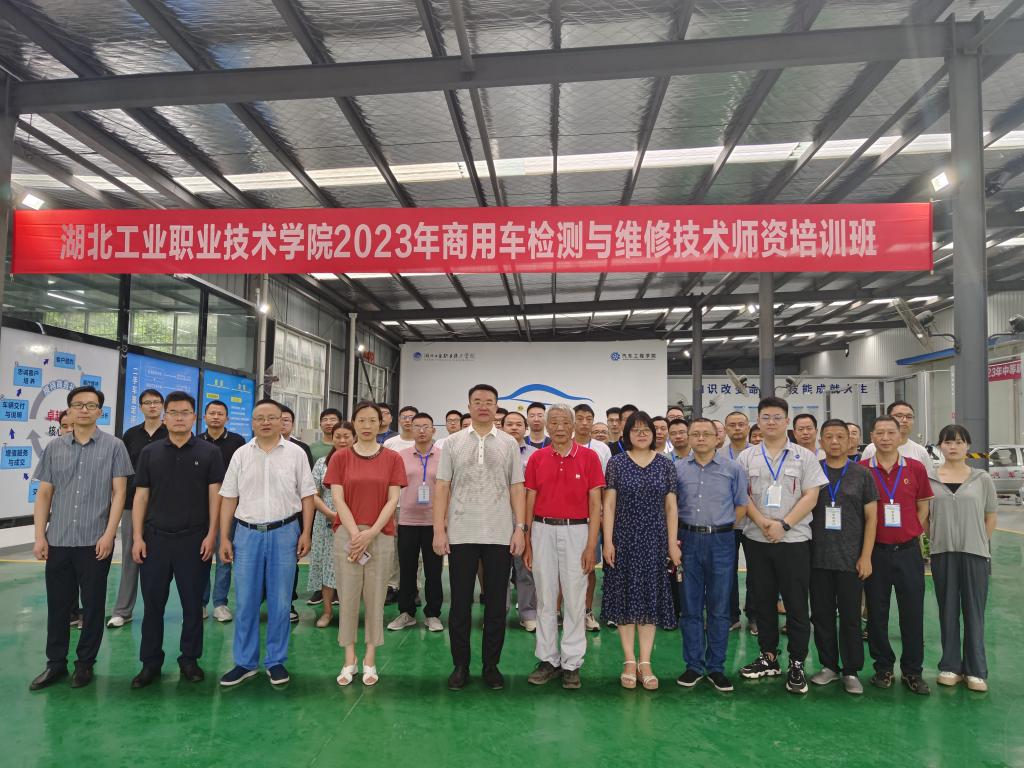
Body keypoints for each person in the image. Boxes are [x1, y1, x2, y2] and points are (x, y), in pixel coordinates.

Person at [29, 385, 133, 691]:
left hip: (94, 541)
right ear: (70, 410)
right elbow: (44, 494)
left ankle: (85, 664)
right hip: (58, 539)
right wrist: (39, 536)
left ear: (100, 411)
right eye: (78, 405)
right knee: (58, 606)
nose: (84, 410)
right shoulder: (54, 448)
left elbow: (119, 494)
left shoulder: (115, 447)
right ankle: (55, 664)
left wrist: (109, 534)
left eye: (90, 405)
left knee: (93, 606)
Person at [433, 384, 527, 691]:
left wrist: (520, 527)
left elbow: (516, 487)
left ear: (497, 407)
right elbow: (442, 486)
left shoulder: (509, 443)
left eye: (489, 402)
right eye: (477, 401)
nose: (483, 406)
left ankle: (491, 665)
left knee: (496, 605)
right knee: (460, 604)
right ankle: (460, 665)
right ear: (469, 406)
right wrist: (439, 529)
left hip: (499, 533)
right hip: (461, 532)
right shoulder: (452, 442)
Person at [129, 392, 225, 688]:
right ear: (165, 417)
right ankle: (150, 663)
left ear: (194, 417)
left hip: (194, 541)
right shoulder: (150, 453)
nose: (179, 418)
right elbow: (141, 496)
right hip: (155, 540)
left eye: (185, 413)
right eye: (173, 412)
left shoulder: (210, 453)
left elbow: (215, 496)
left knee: (192, 606)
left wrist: (212, 534)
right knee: (152, 606)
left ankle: (189, 660)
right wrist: (137, 537)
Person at [218, 399, 315, 687]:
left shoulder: (296, 453)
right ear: (252, 422)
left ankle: (276, 661)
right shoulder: (241, 454)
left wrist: (306, 533)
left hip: (285, 532)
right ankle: (245, 662)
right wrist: (225, 537)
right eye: (259, 418)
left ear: (281, 421)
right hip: (247, 534)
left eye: (272, 417)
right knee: (246, 600)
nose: (266, 422)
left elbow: (307, 495)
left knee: (281, 600)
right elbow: (229, 497)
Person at [736, 396, 827, 695]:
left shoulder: (805, 456)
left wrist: (784, 524)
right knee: (763, 601)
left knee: (796, 604)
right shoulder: (746, 457)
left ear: (787, 421)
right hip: (757, 538)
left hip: (794, 540)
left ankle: (797, 662)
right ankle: (768, 657)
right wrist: (763, 522)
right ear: (758, 421)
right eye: (766, 417)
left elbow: (811, 496)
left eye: (777, 417)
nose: (771, 422)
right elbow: (742, 495)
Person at [523, 404, 604, 689]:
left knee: (574, 598)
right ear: (546, 426)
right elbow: (530, 500)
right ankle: (548, 660)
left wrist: (591, 544)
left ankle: (571, 663)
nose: (559, 427)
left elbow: (595, 504)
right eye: (554, 422)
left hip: (577, 531)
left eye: (565, 422)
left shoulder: (590, 457)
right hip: (542, 530)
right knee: (546, 599)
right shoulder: (537, 458)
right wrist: (527, 541)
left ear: (573, 426)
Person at [325, 401, 406, 686]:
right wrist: (354, 533)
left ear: (380, 423)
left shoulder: (393, 458)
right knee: (347, 596)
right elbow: (337, 498)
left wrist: (371, 532)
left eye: (373, 420)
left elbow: (393, 499)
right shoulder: (340, 458)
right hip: (347, 535)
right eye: (361, 420)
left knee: (375, 597)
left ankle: (370, 658)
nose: (367, 425)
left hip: (380, 534)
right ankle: (349, 658)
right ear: (354, 422)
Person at [601, 411, 680, 690]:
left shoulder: (665, 464)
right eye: (636, 429)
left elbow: (671, 507)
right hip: (623, 539)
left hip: (654, 540)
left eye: (647, 429)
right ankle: (629, 660)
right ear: (627, 434)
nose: (642, 433)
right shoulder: (617, 463)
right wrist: (608, 541)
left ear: (654, 433)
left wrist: (672, 543)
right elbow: (609, 505)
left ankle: (645, 662)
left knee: (649, 598)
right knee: (625, 598)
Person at [860, 414, 933, 695]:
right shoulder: (862, 470)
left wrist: (910, 530)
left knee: (912, 613)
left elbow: (923, 507)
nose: (886, 438)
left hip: (908, 552)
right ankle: (883, 668)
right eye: (880, 433)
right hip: (875, 553)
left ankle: (913, 672)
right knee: (876, 614)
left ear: (900, 435)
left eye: (891, 432)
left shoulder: (915, 468)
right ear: (872, 437)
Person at [674, 418, 748, 693]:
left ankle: (716, 667)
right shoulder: (677, 469)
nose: (701, 438)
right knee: (690, 606)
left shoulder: (733, 469)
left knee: (719, 607)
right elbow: (670, 506)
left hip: (721, 541)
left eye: (707, 433)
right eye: (695, 434)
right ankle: (693, 665)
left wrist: (721, 527)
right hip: (687, 540)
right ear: (689, 438)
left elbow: (741, 505)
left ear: (718, 437)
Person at [808, 420, 878, 695]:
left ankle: (851, 670)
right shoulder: (813, 471)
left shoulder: (862, 474)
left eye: (840, 436)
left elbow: (871, 519)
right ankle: (828, 666)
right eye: (829, 437)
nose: (835, 442)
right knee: (822, 616)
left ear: (851, 441)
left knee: (850, 617)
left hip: (851, 559)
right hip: (817, 558)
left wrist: (866, 556)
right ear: (821, 442)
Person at [929, 424, 998, 692]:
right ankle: (950, 666)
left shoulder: (982, 479)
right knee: (947, 609)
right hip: (942, 552)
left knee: (974, 611)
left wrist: (980, 540)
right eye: (948, 442)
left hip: (975, 554)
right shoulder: (930, 478)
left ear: (968, 446)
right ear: (940, 446)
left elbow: (990, 515)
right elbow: (925, 516)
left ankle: (976, 670)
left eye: (959, 442)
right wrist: (934, 538)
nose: (953, 446)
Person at [108, 388, 167, 629]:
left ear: (162, 406)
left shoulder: (172, 433)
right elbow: (121, 471)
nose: (152, 406)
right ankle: (123, 611)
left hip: (163, 505)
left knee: (162, 561)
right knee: (131, 558)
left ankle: (156, 610)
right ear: (141, 407)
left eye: (156, 402)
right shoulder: (130, 435)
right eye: (147, 402)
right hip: (132, 504)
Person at [388, 413, 445, 633]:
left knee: (434, 571)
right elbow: (392, 489)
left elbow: (449, 489)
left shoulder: (444, 456)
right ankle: (407, 612)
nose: (421, 430)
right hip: (407, 520)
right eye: (417, 426)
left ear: (433, 430)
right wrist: (392, 517)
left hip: (434, 522)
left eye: (426, 426)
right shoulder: (400, 456)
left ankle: (433, 614)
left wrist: (445, 520)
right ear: (411, 430)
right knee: (407, 570)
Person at [199, 399, 247, 622]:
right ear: (204, 417)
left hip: (230, 509)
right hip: (201, 509)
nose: (216, 417)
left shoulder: (238, 442)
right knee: (201, 557)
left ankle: (220, 603)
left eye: (220, 414)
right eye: (212, 413)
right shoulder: (196, 442)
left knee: (224, 556)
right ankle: (200, 603)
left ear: (227, 418)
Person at [308, 424, 353, 628]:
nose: (342, 441)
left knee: (352, 569)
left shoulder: (361, 462)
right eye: (338, 436)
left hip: (354, 525)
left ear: (354, 437)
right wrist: (331, 514)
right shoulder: (321, 463)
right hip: (326, 523)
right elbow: (313, 494)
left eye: (346, 436)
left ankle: (349, 614)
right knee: (327, 568)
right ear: (332, 438)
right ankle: (327, 612)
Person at [573, 404, 612, 631]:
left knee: (587, 566)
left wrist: (603, 514)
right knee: (561, 570)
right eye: (580, 418)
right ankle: (560, 611)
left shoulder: (601, 449)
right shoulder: (561, 444)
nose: (585, 422)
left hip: (592, 518)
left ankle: (587, 612)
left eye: (589, 418)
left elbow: (605, 485)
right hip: (566, 517)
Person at [503, 411, 538, 631]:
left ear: (526, 428)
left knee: (526, 567)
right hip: (499, 517)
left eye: (518, 424)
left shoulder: (536, 455)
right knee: (499, 571)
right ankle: (498, 614)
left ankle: (528, 613)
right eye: (509, 424)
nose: (514, 428)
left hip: (525, 517)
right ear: (502, 427)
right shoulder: (495, 451)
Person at [720, 411, 752, 632]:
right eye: (732, 425)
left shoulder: (758, 453)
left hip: (753, 522)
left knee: (756, 572)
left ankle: (755, 614)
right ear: (725, 429)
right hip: (726, 523)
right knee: (726, 572)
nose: (737, 428)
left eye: (741, 424)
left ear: (748, 427)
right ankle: (731, 616)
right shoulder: (717, 454)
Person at [56, 409, 84, 630]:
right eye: (64, 426)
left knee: (89, 579)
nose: (68, 430)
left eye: (72, 426)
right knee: (65, 576)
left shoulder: (104, 450)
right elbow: (46, 493)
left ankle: (87, 613)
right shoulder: (54, 452)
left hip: (91, 528)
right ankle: (72, 612)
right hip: (62, 528)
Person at [860, 401, 932, 466]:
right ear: (888, 417)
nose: (904, 420)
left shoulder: (921, 452)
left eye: (909, 417)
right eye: (899, 416)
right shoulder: (871, 449)